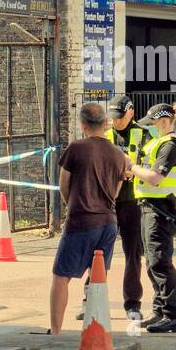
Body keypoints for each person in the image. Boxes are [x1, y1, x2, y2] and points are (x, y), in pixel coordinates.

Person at [50, 102, 130, 335]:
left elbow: (63, 185)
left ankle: (55, 331)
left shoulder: (76, 148)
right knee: (98, 279)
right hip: (108, 222)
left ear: (83, 125)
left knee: (61, 276)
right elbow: (115, 192)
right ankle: (96, 329)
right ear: (106, 123)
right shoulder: (118, 154)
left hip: (81, 220)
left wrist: (74, 204)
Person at [128, 102, 176, 333]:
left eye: (153, 124)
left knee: (160, 262)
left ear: (164, 122)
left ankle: (173, 315)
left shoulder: (171, 146)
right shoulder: (158, 142)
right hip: (149, 206)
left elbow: (155, 177)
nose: (150, 128)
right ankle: (160, 311)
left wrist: (130, 167)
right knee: (151, 262)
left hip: (161, 209)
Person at [103, 95, 150, 325]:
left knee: (133, 253)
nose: (115, 122)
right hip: (106, 201)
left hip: (132, 201)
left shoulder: (143, 134)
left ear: (130, 112)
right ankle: (89, 300)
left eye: (119, 118)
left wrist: (135, 169)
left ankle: (133, 304)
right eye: (112, 118)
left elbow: (150, 164)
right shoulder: (103, 134)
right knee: (98, 252)